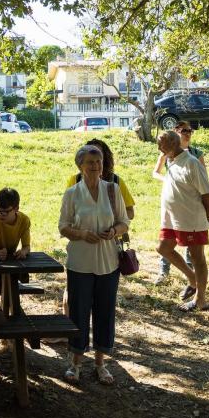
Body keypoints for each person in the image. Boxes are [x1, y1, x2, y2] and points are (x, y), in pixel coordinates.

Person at [58, 145, 130, 385]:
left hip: (109, 262)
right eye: (90, 162)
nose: (95, 166)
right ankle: (75, 363)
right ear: (80, 165)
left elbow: (124, 222)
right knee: (78, 313)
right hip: (80, 263)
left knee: (105, 312)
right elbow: (63, 227)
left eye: (98, 162)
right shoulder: (72, 193)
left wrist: (113, 232)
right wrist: (81, 234)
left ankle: (100, 363)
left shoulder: (113, 189)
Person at [155, 131, 209, 312]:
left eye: (161, 145)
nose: (159, 148)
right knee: (163, 248)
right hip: (172, 219)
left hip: (191, 219)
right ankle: (192, 279)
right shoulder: (172, 161)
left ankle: (200, 299)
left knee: (197, 258)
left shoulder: (192, 163)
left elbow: (208, 195)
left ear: (173, 144)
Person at [151, 122, 205, 283]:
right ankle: (165, 271)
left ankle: (192, 278)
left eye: (190, 130)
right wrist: (167, 180)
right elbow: (155, 172)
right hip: (172, 205)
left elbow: (203, 180)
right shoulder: (167, 152)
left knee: (192, 247)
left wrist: (206, 211)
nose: (188, 133)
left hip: (190, 205)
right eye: (184, 130)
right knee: (166, 243)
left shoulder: (196, 154)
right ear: (176, 133)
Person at [0, 187, 30, 289]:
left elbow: (26, 246)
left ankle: (12, 303)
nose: (0, 215)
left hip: (10, 256)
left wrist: (23, 252)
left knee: (14, 280)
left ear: (16, 208)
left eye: (5, 212)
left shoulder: (24, 220)